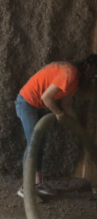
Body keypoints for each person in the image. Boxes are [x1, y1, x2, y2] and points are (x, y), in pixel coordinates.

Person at [15, 54, 97, 199]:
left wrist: (78, 127)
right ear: (91, 70)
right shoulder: (69, 73)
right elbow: (46, 97)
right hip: (26, 103)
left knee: (40, 143)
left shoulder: (74, 82)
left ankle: (38, 183)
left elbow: (66, 106)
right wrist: (58, 114)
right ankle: (26, 187)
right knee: (33, 143)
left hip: (38, 106)